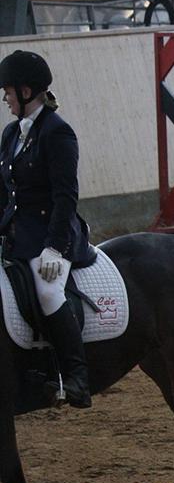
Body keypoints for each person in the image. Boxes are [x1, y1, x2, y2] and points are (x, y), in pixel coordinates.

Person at [0, 50, 95, 408]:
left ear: (26, 92)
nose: (5, 98)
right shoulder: (11, 133)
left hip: (54, 234)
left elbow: (66, 196)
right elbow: (3, 192)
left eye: (8, 91)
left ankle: (77, 377)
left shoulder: (58, 133)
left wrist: (55, 247)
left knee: (48, 291)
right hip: (18, 233)